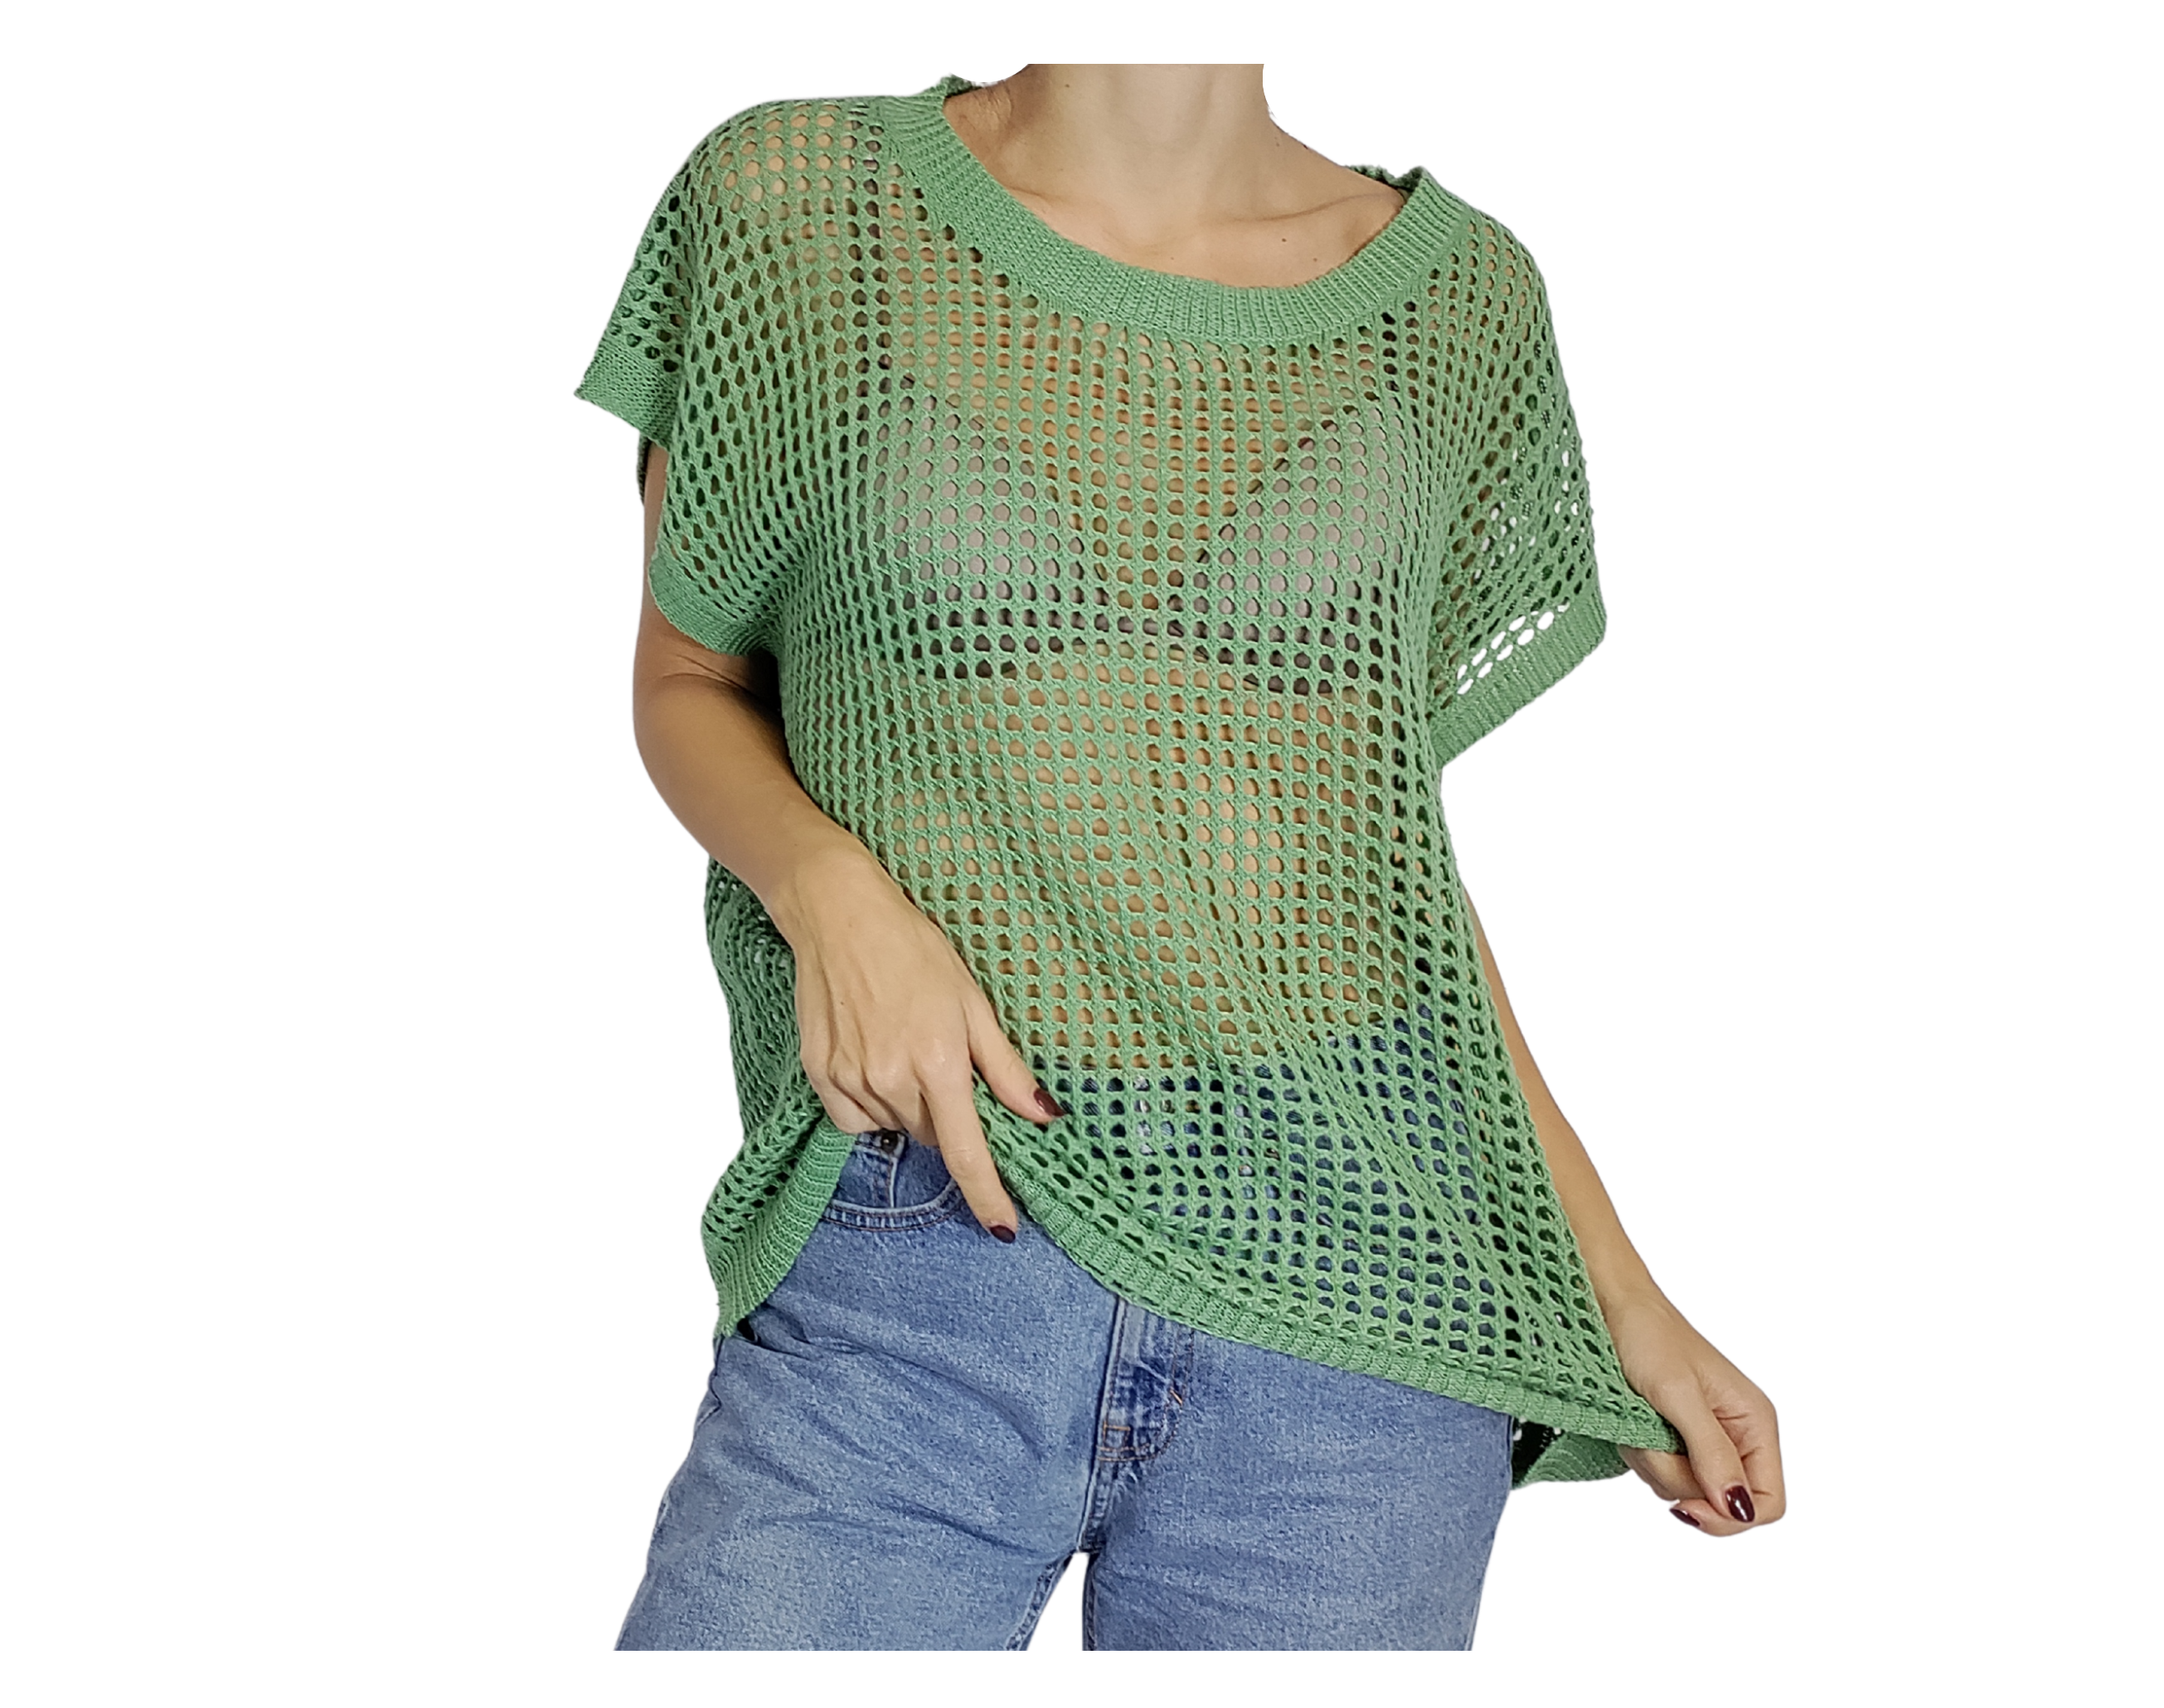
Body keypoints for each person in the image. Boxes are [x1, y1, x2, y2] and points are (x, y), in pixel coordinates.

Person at [577, 64, 1784, 1651]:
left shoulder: (1461, 298)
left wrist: (1615, 1288)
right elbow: (687, 679)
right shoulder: (798, 199)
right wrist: (829, 891)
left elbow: (1379, 863)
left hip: (1369, 1268)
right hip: (928, 1234)